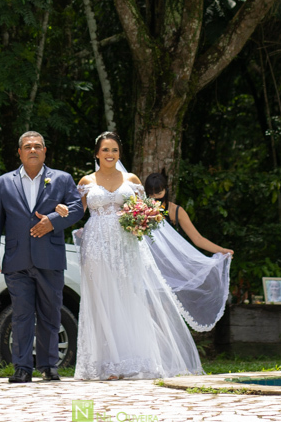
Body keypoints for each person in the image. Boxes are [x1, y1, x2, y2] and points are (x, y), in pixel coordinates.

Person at [69, 131, 203, 381]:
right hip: (96, 245)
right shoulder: (87, 181)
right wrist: (64, 212)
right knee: (100, 300)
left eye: (115, 150)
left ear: (119, 154)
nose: (110, 154)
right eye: (105, 150)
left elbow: (143, 210)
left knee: (126, 297)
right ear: (97, 153)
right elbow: (78, 211)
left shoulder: (130, 179)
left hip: (125, 245)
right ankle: (105, 364)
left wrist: (142, 220)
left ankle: (130, 361)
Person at [0, 130, 84, 384]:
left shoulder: (61, 180)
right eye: (27, 146)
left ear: (44, 151)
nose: (32, 150)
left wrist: (52, 221)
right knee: (21, 315)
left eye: (37, 146)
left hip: (49, 258)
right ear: (19, 152)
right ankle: (21, 367)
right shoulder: (3, 183)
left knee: (51, 313)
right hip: (17, 259)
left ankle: (49, 366)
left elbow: (76, 209)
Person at [143, 172, 233, 332]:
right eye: (151, 193)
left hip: (170, 268)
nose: (155, 196)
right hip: (147, 265)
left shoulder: (175, 211)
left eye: (158, 192)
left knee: (166, 309)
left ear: (166, 190)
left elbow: (197, 239)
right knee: (148, 310)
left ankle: (168, 352)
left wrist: (222, 250)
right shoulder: (140, 210)